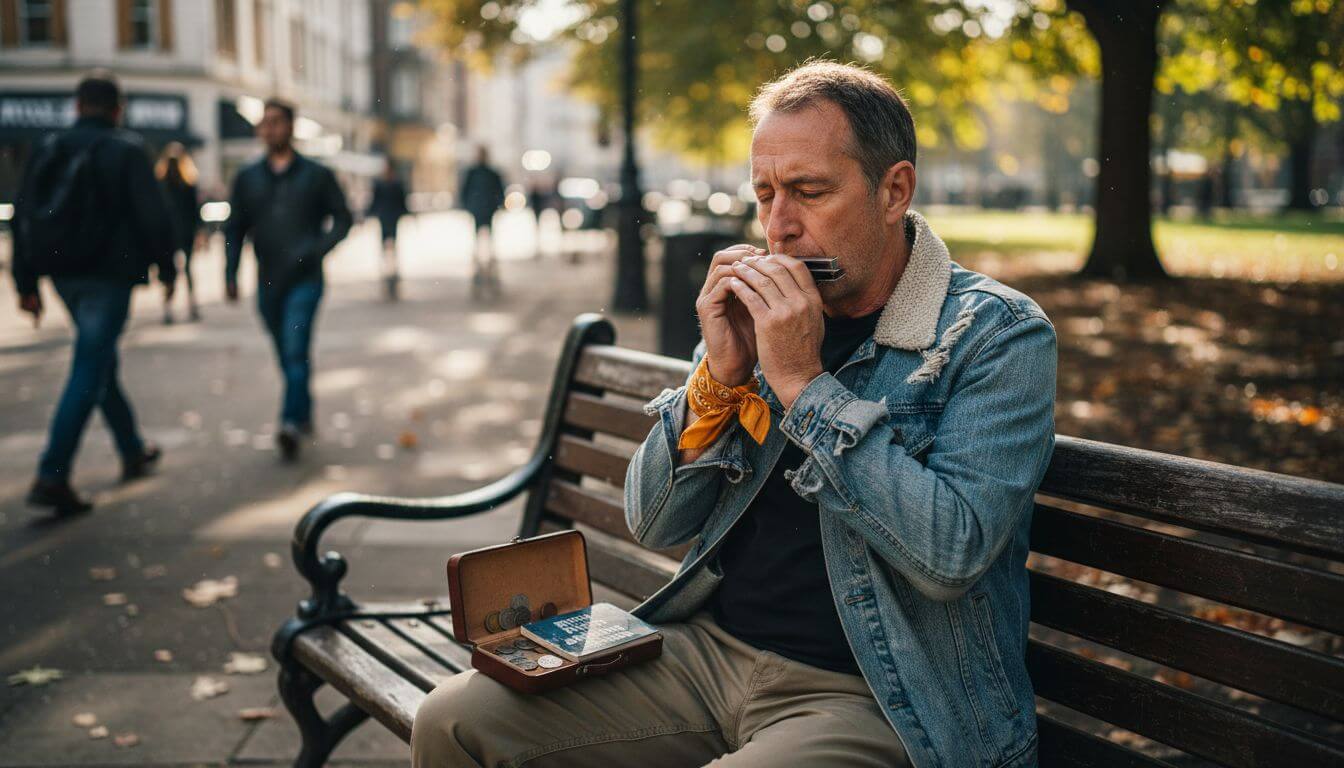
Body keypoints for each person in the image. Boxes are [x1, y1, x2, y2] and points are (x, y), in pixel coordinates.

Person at [412, 62, 1057, 767]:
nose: (779, 227)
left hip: (879, 693)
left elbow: (951, 555)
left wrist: (805, 387)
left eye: (810, 192)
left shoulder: (993, 335)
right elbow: (655, 522)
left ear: (893, 189)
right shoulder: (758, 317)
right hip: (706, 654)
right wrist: (718, 381)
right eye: (765, 194)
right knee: (454, 720)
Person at [11, 72, 175, 514]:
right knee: (91, 363)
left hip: (62, 274)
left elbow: (23, 214)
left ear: (77, 105)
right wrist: (168, 268)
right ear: (118, 109)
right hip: (109, 274)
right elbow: (153, 216)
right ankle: (53, 473)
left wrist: (25, 283)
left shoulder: (48, 145)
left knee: (99, 357)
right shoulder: (126, 149)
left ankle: (131, 447)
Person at [223, 98, 352, 461]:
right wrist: (230, 273)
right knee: (286, 353)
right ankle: (303, 407)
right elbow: (234, 229)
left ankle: (289, 423)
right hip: (267, 281)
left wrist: (318, 249)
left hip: (305, 279)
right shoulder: (247, 178)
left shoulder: (316, 175)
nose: (271, 129)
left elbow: (342, 219)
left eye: (277, 122)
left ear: (291, 127)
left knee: (295, 349)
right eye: (266, 123)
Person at [156, 142, 203, 323]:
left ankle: (169, 309)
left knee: (170, 273)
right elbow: (195, 211)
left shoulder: (161, 184)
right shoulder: (188, 184)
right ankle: (191, 306)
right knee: (188, 270)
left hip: (169, 234)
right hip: (184, 231)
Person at [458, 145, 505, 297]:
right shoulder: (476, 173)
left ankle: (488, 270)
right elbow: (465, 192)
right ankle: (480, 270)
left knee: (487, 242)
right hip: (479, 210)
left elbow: (499, 191)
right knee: (480, 242)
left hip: (486, 210)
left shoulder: (486, 173)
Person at [366, 159, 409, 300]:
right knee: (385, 247)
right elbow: (374, 202)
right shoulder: (381, 184)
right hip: (384, 219)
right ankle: (386, 272)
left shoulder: (396, 184)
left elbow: (403, 202)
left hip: (392, 218)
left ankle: (393, 271)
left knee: (393, 247)